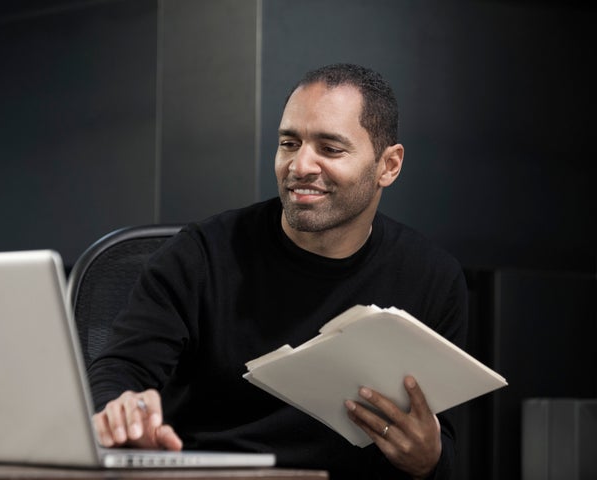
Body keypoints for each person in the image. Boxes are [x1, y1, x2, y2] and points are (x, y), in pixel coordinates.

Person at [88, 63, 467, 480]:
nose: (300, 165)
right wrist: (119, 409)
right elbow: (119, 371)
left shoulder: (432, 277)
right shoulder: (201, 255)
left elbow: (442, 449)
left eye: (330, 148)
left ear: (388, 165)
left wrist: (428, 459)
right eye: (289, 143)